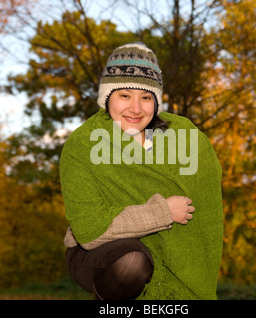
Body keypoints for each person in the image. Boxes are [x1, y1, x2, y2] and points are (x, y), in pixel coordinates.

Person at [60, 42, 223, 300]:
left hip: (170, 253)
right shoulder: (82, 145)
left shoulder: (185, 136)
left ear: (156, 101)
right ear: (107, 97)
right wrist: (163, 212)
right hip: (95, 252)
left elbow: (208, 211)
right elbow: (89, 230)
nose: (135, 108)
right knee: (132, 262)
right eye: (124, 95)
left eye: (146, 97)